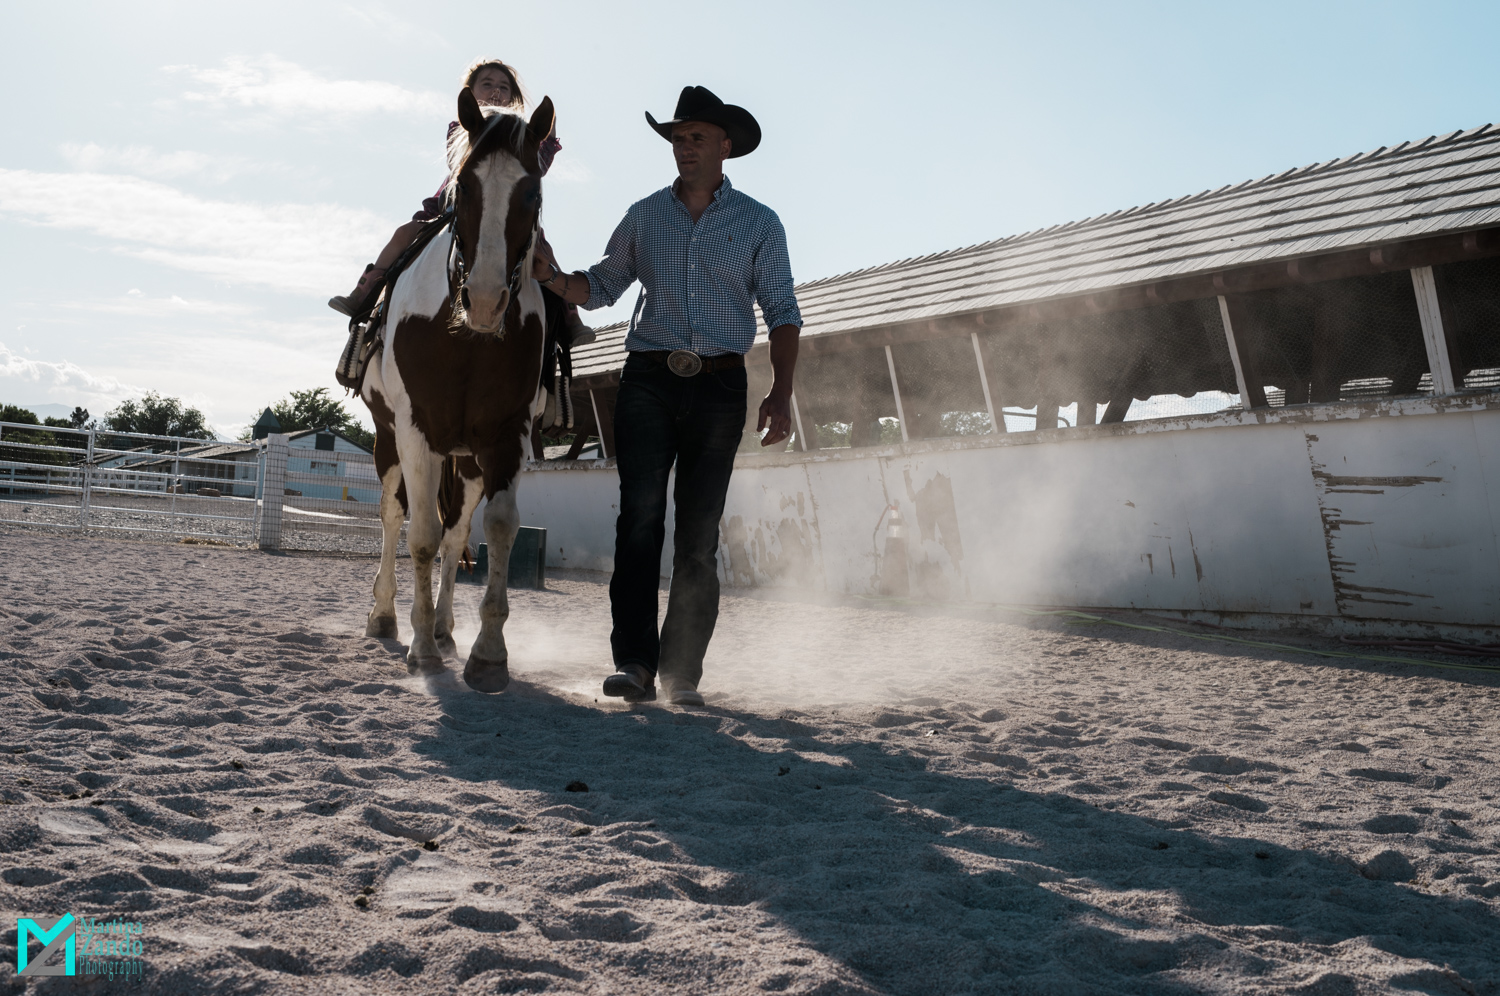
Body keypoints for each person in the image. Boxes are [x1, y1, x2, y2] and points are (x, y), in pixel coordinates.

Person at [532, 85, 802, 706]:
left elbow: (784, 312)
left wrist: (780, 393)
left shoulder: (761, 223)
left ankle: (683, 673)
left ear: (725, 146)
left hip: (720, 386)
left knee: (699, 536)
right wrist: (550, 275)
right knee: (640, 522)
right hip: (647, 379)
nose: (684, 148)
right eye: (677, 139)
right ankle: (634, 664)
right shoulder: (644, 214)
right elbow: (600, 287)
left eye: (696, 138)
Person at [329, 58, 592, 344]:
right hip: (455, 208)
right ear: (471, 92)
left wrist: (544, 138)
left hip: (507, 213)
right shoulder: (464, 129)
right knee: (404, 234)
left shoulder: (522, 142)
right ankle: (366, 292)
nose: (496, 91)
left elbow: (538, 165)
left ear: (513, 98)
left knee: (544, 251)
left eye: (504, 87)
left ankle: (569, 317)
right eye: (487, 84)